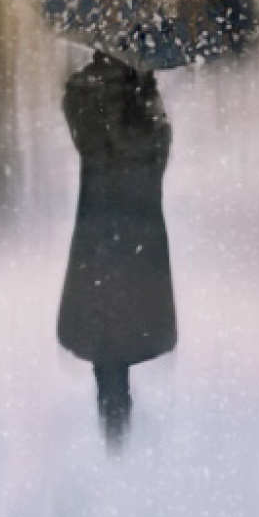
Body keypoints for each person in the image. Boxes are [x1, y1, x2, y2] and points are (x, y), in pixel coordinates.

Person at [56, 50, 177, 446]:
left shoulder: (87, 94)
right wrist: (145, 94)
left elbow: (93, 140)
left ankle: (114, 424)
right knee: (119, 315)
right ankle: (116, 427)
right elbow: (153, 150)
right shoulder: (140, 104)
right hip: (131, 230)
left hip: (105, 229)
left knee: (108, 314)